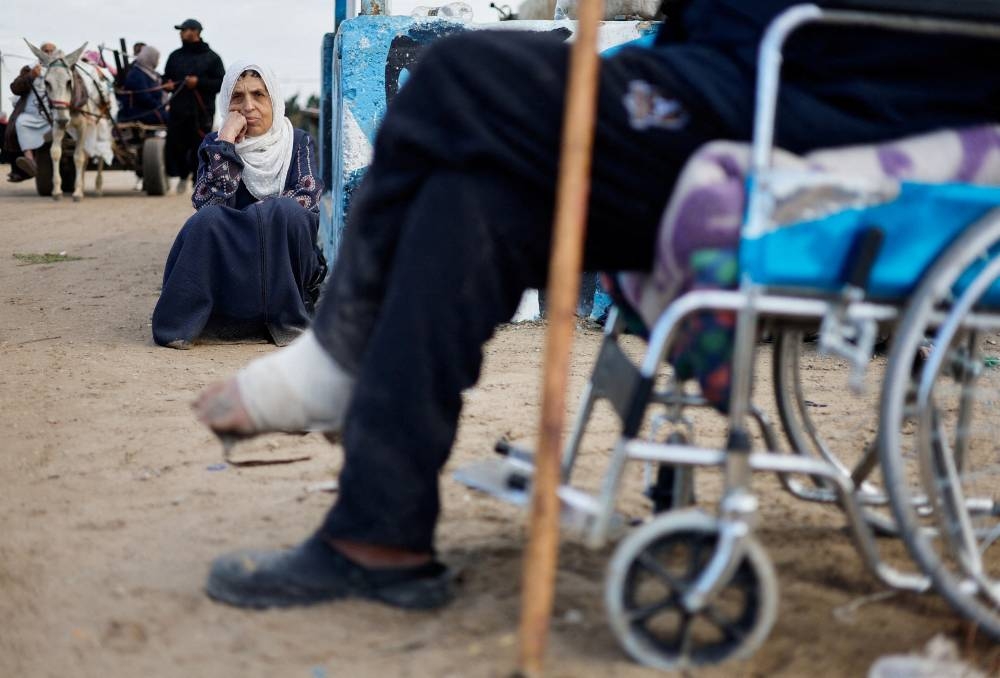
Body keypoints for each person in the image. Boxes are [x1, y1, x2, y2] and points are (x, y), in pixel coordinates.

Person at [193, 0, 1000, 610]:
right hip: (736, 67)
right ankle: (379, 530)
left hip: (818, 81)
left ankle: (337, 362)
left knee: (455, 78)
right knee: (471, 195)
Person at [151, 60, 327, 350]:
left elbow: (307, 200)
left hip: (285, 262)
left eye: (259, 95)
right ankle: (181, 324)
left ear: (274, 100)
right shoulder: (215, 143)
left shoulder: (297, 142)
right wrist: (226, 144)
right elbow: (208, 204)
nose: (248, 106)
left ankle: (285, 318)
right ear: (226, 103)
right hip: (233, 267)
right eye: (237, 97)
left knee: (287, 212)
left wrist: (255, 217)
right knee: (206, 222)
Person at [162, 19, 224, 195]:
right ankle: (181, 177)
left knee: (200, 148)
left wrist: (199, 82)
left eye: (184, 30)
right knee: (176, 146)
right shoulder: (174, 56)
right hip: (178, 111)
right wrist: (167, 84)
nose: (181, 33)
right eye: (181, 30)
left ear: (195, 32)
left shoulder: (212, 58)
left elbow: (220, 83)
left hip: (201, 112)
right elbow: (166, 77)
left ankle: (199, 183)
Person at [4, 41, 57, 181]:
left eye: (52, 51)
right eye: (46, 50)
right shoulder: (29, 69)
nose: (49, 53)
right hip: (31, 114)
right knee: (20, 123)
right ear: (40, 52)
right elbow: (15, 88)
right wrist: (31, 76)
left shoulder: (60, 69)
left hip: (55, 113)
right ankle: (30, 162)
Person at [119, 45, 168, 125]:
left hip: (148, 111)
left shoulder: (149, 74)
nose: (158, 62)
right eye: (157, 59)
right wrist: (161, 106)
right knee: (176, 119)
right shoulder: (137, 75)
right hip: (140, 113)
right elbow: (145, 98)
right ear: (150, 58)